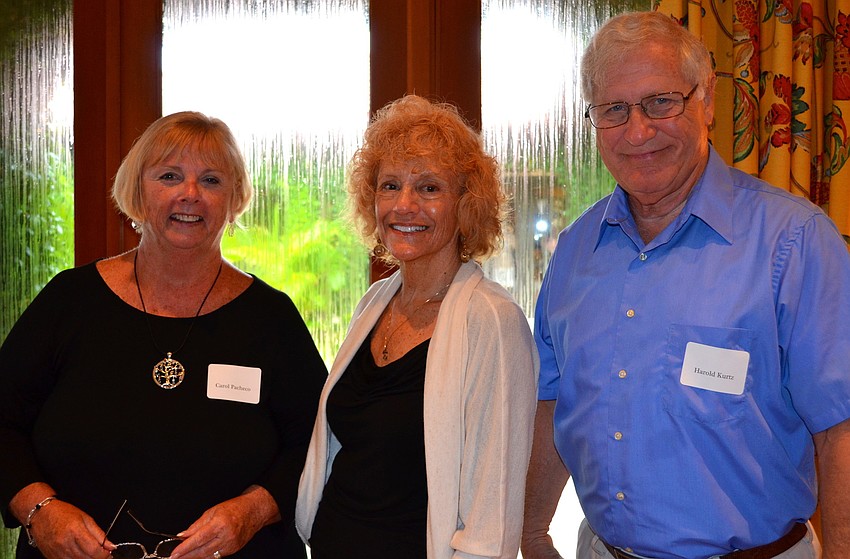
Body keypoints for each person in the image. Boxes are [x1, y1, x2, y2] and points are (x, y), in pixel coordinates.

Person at [522, 10, 850, 559]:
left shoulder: (795, 243)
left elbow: (840, 431)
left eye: (660, 102)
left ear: (707, 100)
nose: (638, 132)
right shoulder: (575, 251)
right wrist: (531, 532)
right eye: (614, 110)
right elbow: (553, 404)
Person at [0, 111, 327, 559]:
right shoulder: (70, 301)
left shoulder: (271, 318)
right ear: (138, 192)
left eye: (211, 180)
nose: (190, 194)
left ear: (234, 199)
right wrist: (39, 510)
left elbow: (316, 442)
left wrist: (252, 511)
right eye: (169, 176)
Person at [295, 95, 538, 559]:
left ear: (466, 205)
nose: (404, 205)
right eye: (390, 185)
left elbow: (493, 515)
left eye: (428, 188)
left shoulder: (492, 321)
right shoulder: (375, 302)